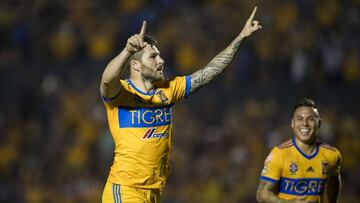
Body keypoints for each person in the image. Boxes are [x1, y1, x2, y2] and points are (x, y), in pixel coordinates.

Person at [100, 6, 261, 203]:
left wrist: (241, 37)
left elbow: (209, 72)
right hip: (125, 190)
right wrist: (127, 51)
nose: (161, 60)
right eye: (153, 56)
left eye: (159, 55)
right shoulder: (121, 94)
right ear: (135, 65)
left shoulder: (169, 89)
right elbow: (107, 81)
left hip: (153, 193)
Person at [256, 98, 342, 203]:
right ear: (292, 123)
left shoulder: (332, 155)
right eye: (299, 119)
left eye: (310, 119)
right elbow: (262, 194)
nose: (304, 124)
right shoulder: (279, 154)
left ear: (319, 123)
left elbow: (333, 184)